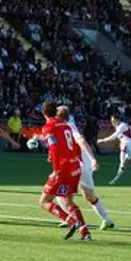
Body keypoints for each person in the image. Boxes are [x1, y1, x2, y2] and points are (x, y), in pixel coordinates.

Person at [37, 100, 91, 240]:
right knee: (68, 201)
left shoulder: (48, 127)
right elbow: (70, 145)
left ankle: (70, 221)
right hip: (74, 166)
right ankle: (85, 232)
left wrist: (56, 168)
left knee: (44, 201)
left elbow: (54, 147)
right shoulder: (65, 124)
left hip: (62, 169)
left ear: (43, 112)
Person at [56, 106, 115, 231]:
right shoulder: (64, 124)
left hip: (80, 164)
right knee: (84, 195)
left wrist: (93, 159)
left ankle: (72, 219)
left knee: (63, 191)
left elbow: (81, 141)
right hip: (77, 164)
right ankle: (105, 219)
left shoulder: (68, 126)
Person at [97, 115, 131, 185]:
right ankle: (116, 178)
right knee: (123, 164)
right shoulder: (118, 127)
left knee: (122, 144)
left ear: (118, 120)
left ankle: (122, 163)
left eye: (113, 121)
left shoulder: (122, 125)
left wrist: (102, 140)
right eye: (111, 121)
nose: (112, 122)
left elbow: (114, 136)